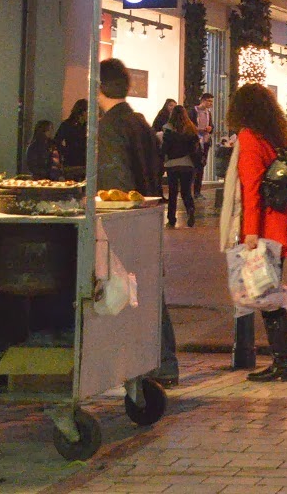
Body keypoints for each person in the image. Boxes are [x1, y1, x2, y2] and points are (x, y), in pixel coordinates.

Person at [220, 83, 287, 383]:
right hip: (282, 221)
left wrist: (249, 233)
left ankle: (283, 361)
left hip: (266, 225)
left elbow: (252, 189)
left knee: (263, 292)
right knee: (268, 289)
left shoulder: (248, 138)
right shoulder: (273, 136)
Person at [97, 58, 177, 387]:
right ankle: (163, 361)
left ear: (99, 87)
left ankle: (139, 363)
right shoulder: (139, 123)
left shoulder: (111, 127)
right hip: (147, 215)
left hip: (124, 219)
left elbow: (116, 183)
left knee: (122, 289)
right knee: (147, 288)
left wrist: (107, 212)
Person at [161, 105, 201, 229]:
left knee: (173, 192)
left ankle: (171, 219)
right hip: (188, 164)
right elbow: (195, 148)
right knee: (186, 191)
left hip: (172, 165)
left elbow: (165, 148)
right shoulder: (191, 129)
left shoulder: (168, 130)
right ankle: (190, 210)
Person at [54, 99, 88, 178]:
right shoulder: (68, 125)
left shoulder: (84, 125)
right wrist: (66, 151)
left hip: (81, 161)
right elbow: (57, 142)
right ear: (82, 112)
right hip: (72, 161)